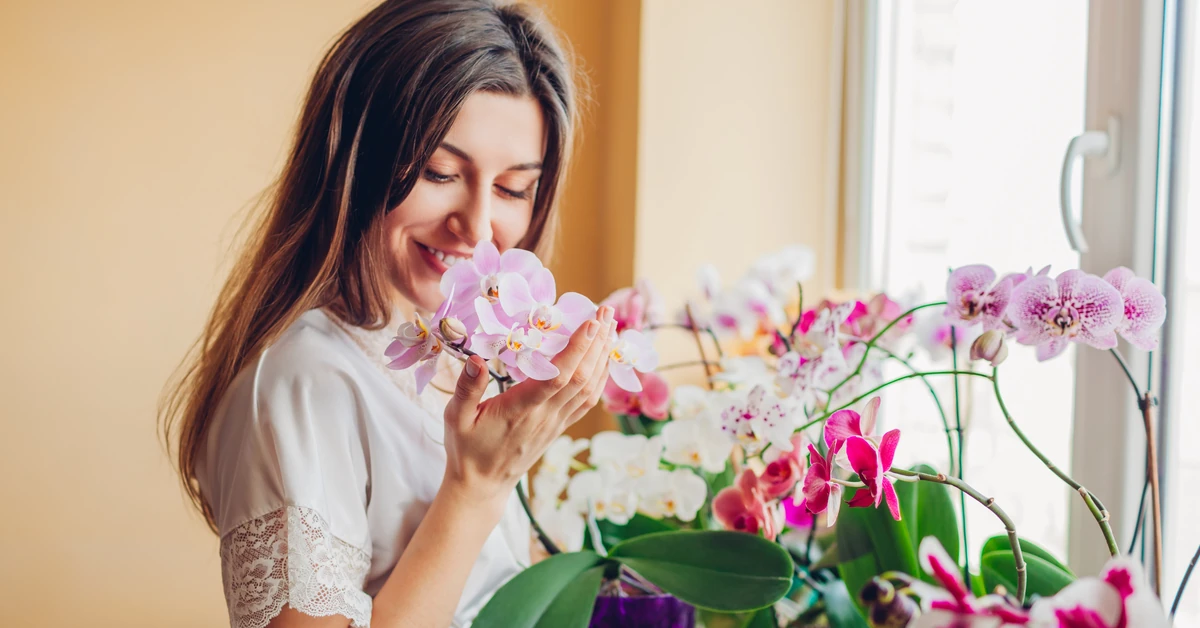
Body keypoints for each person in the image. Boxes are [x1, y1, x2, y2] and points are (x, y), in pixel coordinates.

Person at [159, 1, 613, 626]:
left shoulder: (459, 356)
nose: (478, 226)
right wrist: (473, 489)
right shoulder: (305, 381)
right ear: (353, 160)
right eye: (439, 172)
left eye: (513, 189)